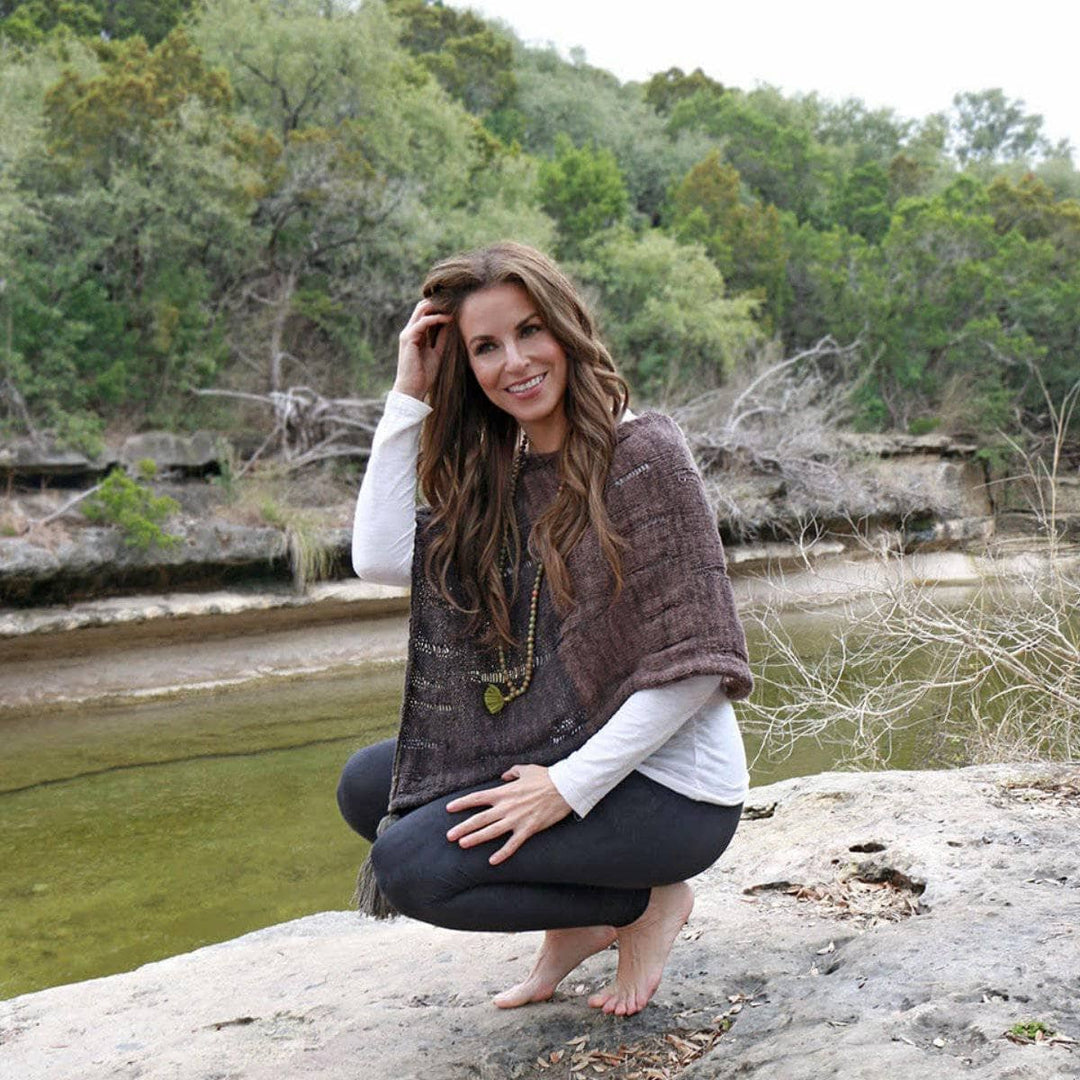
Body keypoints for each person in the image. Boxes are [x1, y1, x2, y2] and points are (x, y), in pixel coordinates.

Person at [336, 241, 753, 1017]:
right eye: (485, 347)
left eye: (531, 331)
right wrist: (407, 397)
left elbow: (698, 668)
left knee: (411, 866)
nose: (515, 362)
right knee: (370, 786)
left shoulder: (645, 457)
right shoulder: (509, 476)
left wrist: (564, 789)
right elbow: (382, 557)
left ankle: (644, 904)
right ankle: (583, 916)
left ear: (566, 328)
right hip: (568, 741)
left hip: (674, 790)